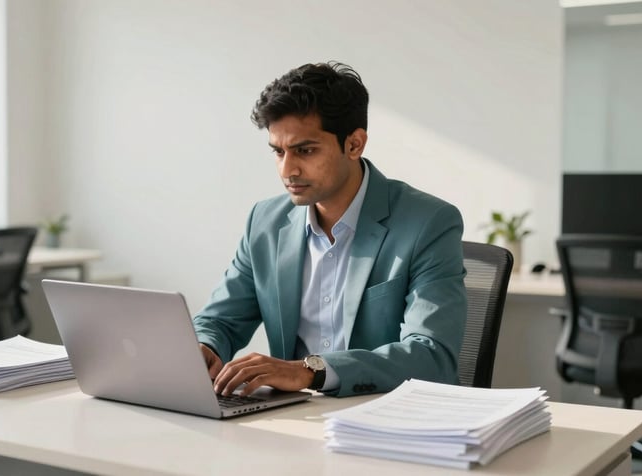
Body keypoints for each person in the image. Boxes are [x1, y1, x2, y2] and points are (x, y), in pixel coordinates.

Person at [193, 62, 467, 398]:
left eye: (304, 151)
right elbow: (220, 320)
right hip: (293, 419)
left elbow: (431, 355)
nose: (287, 169)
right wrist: (204, 347)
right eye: (278, 152)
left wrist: (311, 372)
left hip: (389, 418)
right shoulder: (265, 222)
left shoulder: (429, 222)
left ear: (354, 144)